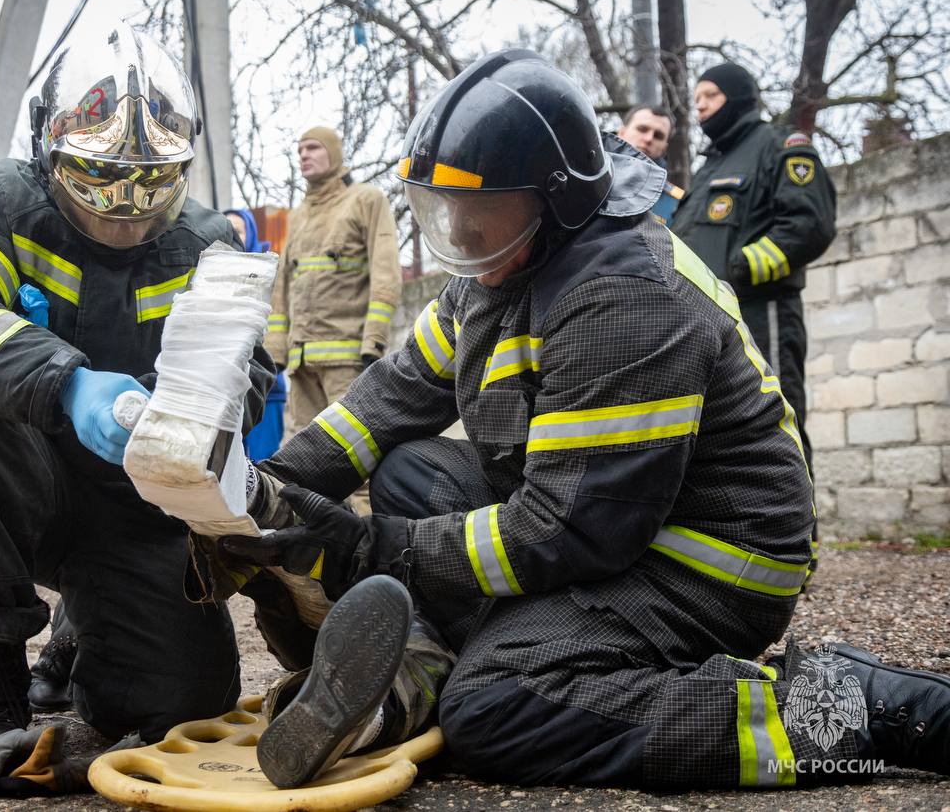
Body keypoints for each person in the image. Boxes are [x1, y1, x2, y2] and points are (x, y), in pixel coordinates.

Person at [222, 50, 949, 792]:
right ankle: (422, 665)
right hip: (612, 520)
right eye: (440, 211)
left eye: (478, 211)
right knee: (408, 469)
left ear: (554, 198)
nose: (460, 234)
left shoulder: (620, 294)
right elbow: (392, 396)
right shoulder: (498, 266)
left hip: (706, 558)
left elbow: (563, 532)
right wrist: (261, 495)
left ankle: (844, 708)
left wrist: (368, 547)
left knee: (499, 706)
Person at [0, 23, 276, 797]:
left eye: (150, 184)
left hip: (133, 503)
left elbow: (254, 369)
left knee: (182, 702)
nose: (127, 211)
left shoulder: (204, 243)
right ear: (50, 151)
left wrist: (202, 410)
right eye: (102, 179)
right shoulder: (1, 204)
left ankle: (73, 648)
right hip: (23, 478)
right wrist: (67, 383)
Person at [671, 62, 836, 476]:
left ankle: (799, 540)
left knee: (776, 420)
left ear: (739, 96)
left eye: (710, 95)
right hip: (707, 322)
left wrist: (736, 272)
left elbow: (808, 226)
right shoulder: (709, 167)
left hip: (762, 312)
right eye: (697, 100)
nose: (701, 106)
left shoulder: (781, 144)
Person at [265, 127, 401, 435]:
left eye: (312, 148)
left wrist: (373, 342)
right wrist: (275, 353)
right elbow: (282, 287)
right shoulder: (298, 216)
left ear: (334, 153)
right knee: (305, 461)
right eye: (300, 151)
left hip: (348, 361)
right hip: (301, 366)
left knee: (353, 456)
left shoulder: (366, 200)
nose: (304, 155)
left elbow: (385, 272)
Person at [225, 207, 287, 461]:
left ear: (250, 233)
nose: (233, 237)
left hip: (266, 388)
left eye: (238, 230)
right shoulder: (214, 275)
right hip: (227, 388)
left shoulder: (269, 270)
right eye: (227, 230)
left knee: (263, 465)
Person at [617, 103, 685, 223]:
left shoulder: (676, 204)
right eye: (642, 129)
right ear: (622, 133)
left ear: (664, 147)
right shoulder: (589, 177)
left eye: (658, 136)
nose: (649, 138)